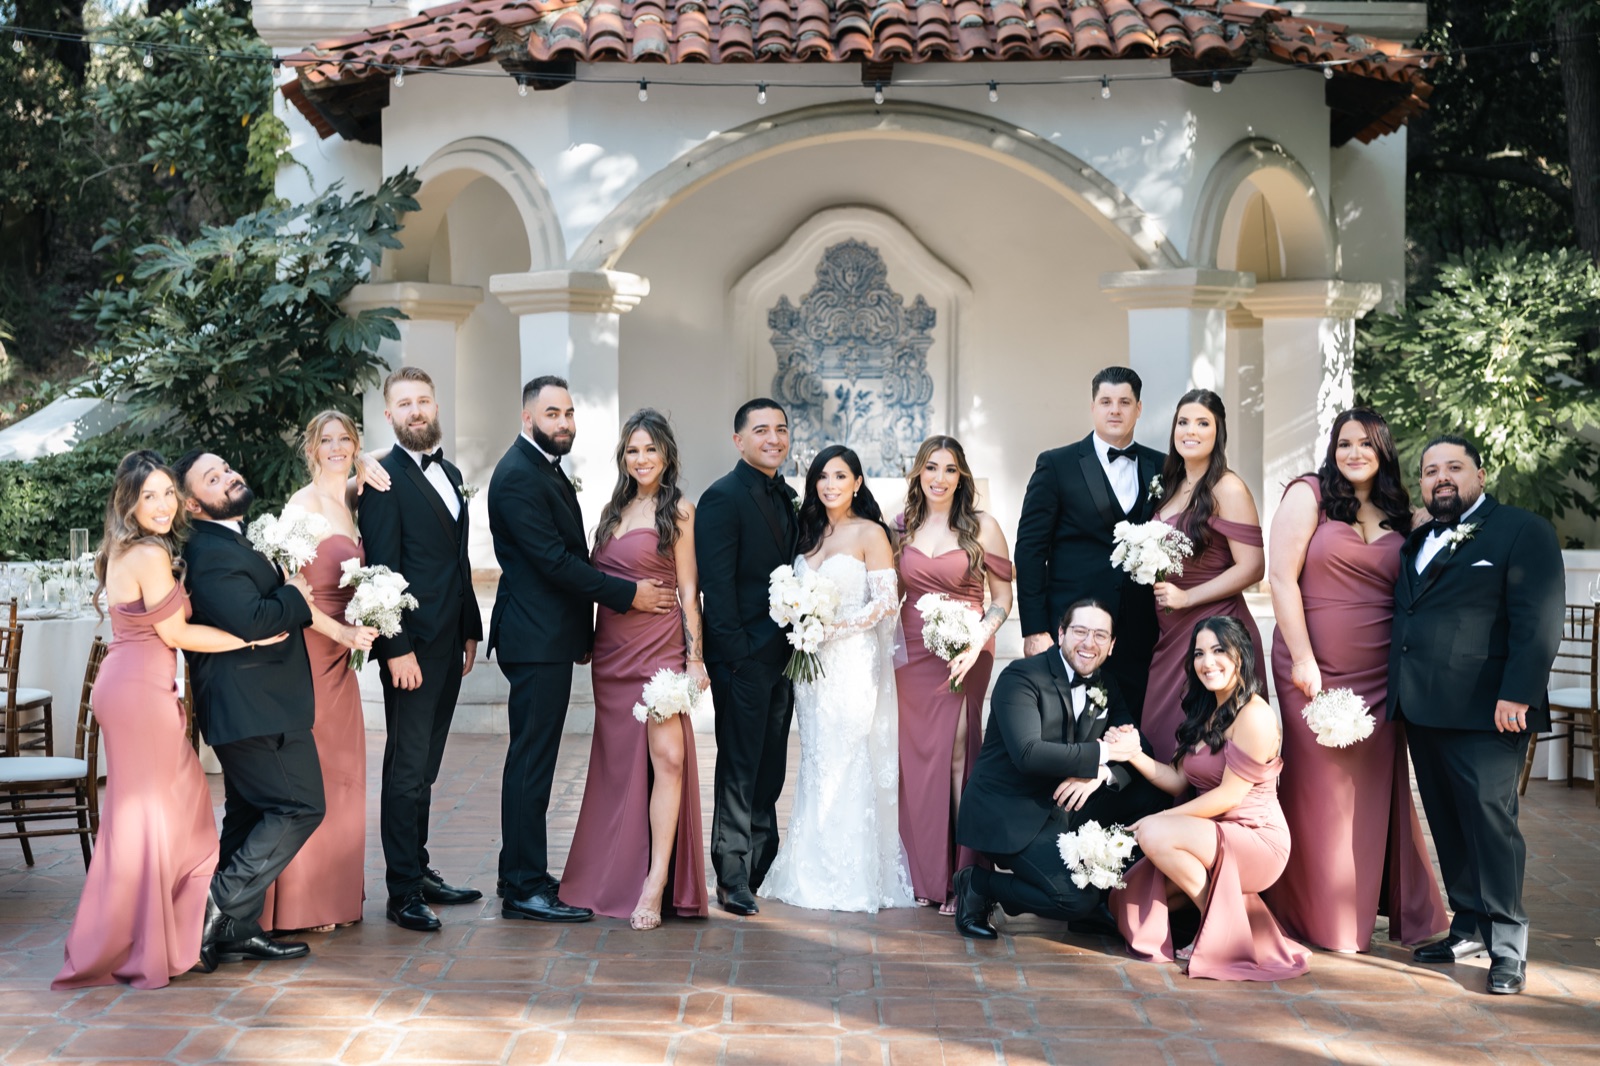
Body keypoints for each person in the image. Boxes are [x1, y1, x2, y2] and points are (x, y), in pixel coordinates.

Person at [53, 452, 287, 989]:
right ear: (129, 503)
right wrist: (250, 635)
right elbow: (177, 637)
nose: (160, 505)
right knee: (169, 813)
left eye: (164, 493)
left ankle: (145, 938)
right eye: (148, 496)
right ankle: (156, 941)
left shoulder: (131, 548)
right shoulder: (148, 555)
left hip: (132, 686)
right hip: (138, 694)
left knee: (145, 820)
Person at [173, 449, 375, 972]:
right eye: (213, 478)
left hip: (262, 703)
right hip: (252, 706)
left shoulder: (235, 539)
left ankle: (237, 932)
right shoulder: (209, 550)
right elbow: (253, 619)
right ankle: (214, 909)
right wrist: (291, 591)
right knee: (299, 806)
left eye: (227, 468)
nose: (230, 476)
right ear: (193, 505)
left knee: (249, 812)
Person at [487, 376, 676, 923]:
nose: (564, 422)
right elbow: (554, 562)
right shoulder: (519, 476)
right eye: (552, 414)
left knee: (534, 758)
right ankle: (522, 887)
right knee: (531, 761)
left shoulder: (542, 468)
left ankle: (519, 870)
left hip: (550, 635)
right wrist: (629, 596)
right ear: (527, 418)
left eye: (569, 413)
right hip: (534, 637)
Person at [1264, 410, 1446, 952]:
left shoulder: (1402, 512)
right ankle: (1317, 918)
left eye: (1366, 443)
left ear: (1384, 449)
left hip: (1381, 674)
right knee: (1319, 794)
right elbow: (1280, 577)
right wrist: (1302, 658)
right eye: (1345, 443)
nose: (1354, 452)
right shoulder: (1308, 495)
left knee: (1364, 798)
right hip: (1311, 666)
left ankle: (1356, 910)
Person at [1391, 436, 1563, 996]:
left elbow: (1538, 619)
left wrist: (1517, 692)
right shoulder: (1415, 539)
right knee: (1447, 822)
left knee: (1492, 826)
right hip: (1423, 707)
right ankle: (1466, 927)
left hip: (1491, 712)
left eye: (1454, 468)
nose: (1441, 477)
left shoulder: (1521, 530)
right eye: (1430, 470)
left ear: (1480, 475)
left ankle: (1508, 944)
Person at [561, 409, 710, 929]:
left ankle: (656, 883)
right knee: (617, 765)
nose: (641, 458)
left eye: (650, 449)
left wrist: (695, 657)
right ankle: (606, 873)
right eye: (632, 450)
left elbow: (690, 589)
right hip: (613, 653)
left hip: (661, 648)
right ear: (623, 458)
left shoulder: (681, 513)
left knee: (668, 758)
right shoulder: (612, 511)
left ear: (666, 454)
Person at [756, 445, 914, 913]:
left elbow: (886, 602)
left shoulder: (871, 533)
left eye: (840, 476)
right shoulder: (808, 533)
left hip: (851, 663)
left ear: (857, 483)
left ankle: (853, 874)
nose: (829, 485)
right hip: (812, 670)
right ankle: (809, 867)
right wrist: (799, 620)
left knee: (848, 758)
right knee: (818, 761)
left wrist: (833, 629)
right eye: (822, 477)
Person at [1109, 616, 1311, 981]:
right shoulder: (1207, 714)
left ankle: (1222, 933)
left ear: (1241, 656)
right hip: (1212, 835)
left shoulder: (1255, 715)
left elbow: (1230, 796)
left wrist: (1165, 822)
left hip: (1256, 837)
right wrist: (1132, 753)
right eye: (1200, 653)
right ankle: (1236, 922)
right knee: (1131, 894)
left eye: (1219, 650)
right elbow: (1175, 781)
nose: (1208, 662)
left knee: (1153, 834)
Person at [951, 599, 1167, 940]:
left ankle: (1104, 894)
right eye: (1080, 631)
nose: (1088, 643)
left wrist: (1101, 774)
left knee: (1151, 794)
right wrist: (1104, 752)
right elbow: (1028, 753)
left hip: (1064, 808)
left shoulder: (1106, 684)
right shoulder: (1021, 677)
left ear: (1111, 646)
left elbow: (1138, 748)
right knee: (1074, 899)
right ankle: (979, 884)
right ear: (1061, 633)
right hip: (1010, 812)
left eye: (1100, 635)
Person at [355, 368, 485, 933]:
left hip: (448, 641)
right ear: (389, 415)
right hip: (409, 648)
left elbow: (456, 561)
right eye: (403, 403)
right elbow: (378, 572)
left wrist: (469, 627)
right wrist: (396, 648)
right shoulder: (382, 480)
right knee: (406, 768)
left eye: (423, 401)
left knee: (427, 766)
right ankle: (402, 889)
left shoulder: (451, 473)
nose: (415, 410)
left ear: (435, 406)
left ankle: (422, 867)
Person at [252, 411, 372, 935]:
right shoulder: (301, 506)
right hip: (312, 649)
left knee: (347, 769)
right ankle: (306, 902)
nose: (337, 447)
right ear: (311, 448)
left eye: (345, 439)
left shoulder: (352, 500)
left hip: (344, 654)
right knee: (316, 770)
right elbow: (291, 591)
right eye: (326, 440)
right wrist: (341, 633)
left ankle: (337, 894)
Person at [894, 435, 1013, 913]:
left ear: (961, 475)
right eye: (930, 468)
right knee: (917, 758)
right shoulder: (900, 526)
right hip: (912, 652)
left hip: (968, 646)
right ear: (918, 473)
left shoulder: (982, 526)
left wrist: (976, 638)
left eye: (949, 469)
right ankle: (924, 873)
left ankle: (964, 875)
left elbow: (1003, 598)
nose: (939, 478)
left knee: (958, 752)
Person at [696, 398, 799, 916]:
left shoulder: (790, 497)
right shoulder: (721, 498)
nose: (773, 438)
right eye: (761, 430)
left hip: (786, 657)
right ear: (739, 440)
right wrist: (735, 657)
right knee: (739, 767)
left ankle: (762, 859)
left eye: (781, 429)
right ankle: (731, 872)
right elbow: (716, 586)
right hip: (742, 658)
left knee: (771, 765)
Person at [1016, 366, 1165, 717]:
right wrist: (1035, 629)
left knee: (1132, 729)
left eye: (1125, 402)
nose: (1115, 410)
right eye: (1106, 401)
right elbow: (1030, 550)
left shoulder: (1162, 466)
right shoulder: (1056, 464)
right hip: (1073, 628)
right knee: (1065, 724)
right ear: (1093, 407)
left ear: (1138, 409)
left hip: (1139, 633)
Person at [1139, 390, 1266, 763]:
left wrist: (1187, 598)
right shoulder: (1169, 486)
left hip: (1216, 628)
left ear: (1218, 432)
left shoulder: (1227, 487)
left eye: (1202, 423)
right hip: (1169, 631)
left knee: (1209, 743)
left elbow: (1253, 566)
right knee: (1161, 734)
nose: (1190, 430)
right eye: (1183, 422)